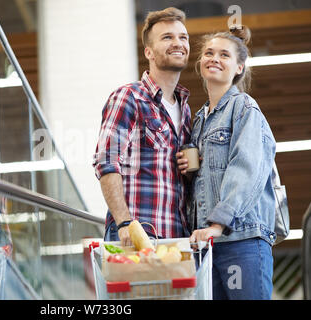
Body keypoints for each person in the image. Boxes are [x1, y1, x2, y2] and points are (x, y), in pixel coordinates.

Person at [176, 25, 276, 299]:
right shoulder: (198, 119)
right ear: (199, 63)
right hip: (209, 244)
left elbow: (247, 168)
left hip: (241, 238)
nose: (214, 59)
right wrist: (189, 173)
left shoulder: (244, 107)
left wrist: (218, 223)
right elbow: (206, 181)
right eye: (208, 53)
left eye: (224, 55)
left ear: (239, 67)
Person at [93, 7, 192, 246]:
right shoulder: (129, 97)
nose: (178, 43)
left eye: (183, 37)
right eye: (167, 37)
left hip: (177, 239)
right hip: (136, 237)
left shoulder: (186, 111)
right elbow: (106, 160)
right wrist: (124, 222)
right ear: (149, 52)